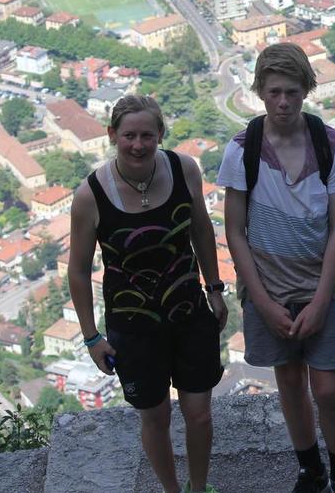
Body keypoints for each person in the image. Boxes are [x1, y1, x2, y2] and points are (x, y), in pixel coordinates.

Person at [218, 43, 335, 493]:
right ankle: (310, 468)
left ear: (306, 92)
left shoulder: (329, 143)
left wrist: (324, 298)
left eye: (292, 92)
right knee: (290, 385)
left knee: (329, 388)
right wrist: (261, 301)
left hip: (321, 283)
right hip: (267, 287)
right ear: (260, 91)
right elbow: (235, 231)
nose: (283, 102)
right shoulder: (243, 150)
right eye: (274, 92)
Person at [69, 95, 227, 493]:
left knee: (200, 414)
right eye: (128, 136)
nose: (137, 144)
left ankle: (199, 487)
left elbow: (202, 230)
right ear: (112, 135)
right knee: (154, 417)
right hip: (133, 325)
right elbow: (78, 270)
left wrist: (216, 288)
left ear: (160, 135)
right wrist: (91, 336)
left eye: (147, 135)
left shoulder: (184, 168)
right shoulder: (91, 195)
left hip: (189, 310)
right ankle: (171, 490)